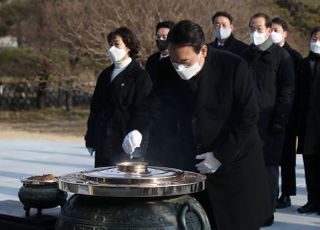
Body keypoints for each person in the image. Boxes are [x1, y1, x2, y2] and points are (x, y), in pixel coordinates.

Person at [122, 20, 271, 230]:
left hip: (234, 168)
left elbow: (248, 116)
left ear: (203, 50)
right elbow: (153, 103)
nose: (179, 67)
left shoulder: (233, 67)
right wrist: (137, 128)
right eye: (174, 61)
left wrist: (221, 155)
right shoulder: (167, 68)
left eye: (185, 62)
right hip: (192, 168)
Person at [242, 12, 295, 226]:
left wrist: (279, 121)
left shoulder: (282, 57)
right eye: (252, 28)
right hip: (246, 122)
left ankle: (267, 211)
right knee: (247, 168)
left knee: (268, 169)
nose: (255, 33)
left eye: (260, 29)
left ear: (270, 30)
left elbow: (287, 92)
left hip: (270, 122)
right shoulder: (246, 55)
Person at [85, 27, 152, 167]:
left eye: (116, 44)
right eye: (110, 44)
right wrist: (90, 138)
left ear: (128, 47)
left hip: (126, 141)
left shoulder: (139, 76)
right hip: (103, 139)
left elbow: (144, 110)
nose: (112, 48)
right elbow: (95, 108)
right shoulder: (105, 74)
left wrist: (137, 133)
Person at [271, 17, 303, 209]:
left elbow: (297, 89)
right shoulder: (263, 52)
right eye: (271, 29)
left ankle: (287, 193)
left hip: (289, 115)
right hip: (268, 113)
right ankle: (271, 191)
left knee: (287, 159)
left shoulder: (294, 56)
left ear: (285, 33)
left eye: (277, 29)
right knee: (270, 158)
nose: (273, 32)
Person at [297, 26, 320, 214]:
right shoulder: (303, 64)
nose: (316, 41)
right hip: (306, 123)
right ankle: (312, 200)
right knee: (309, 164)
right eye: (314, 37)